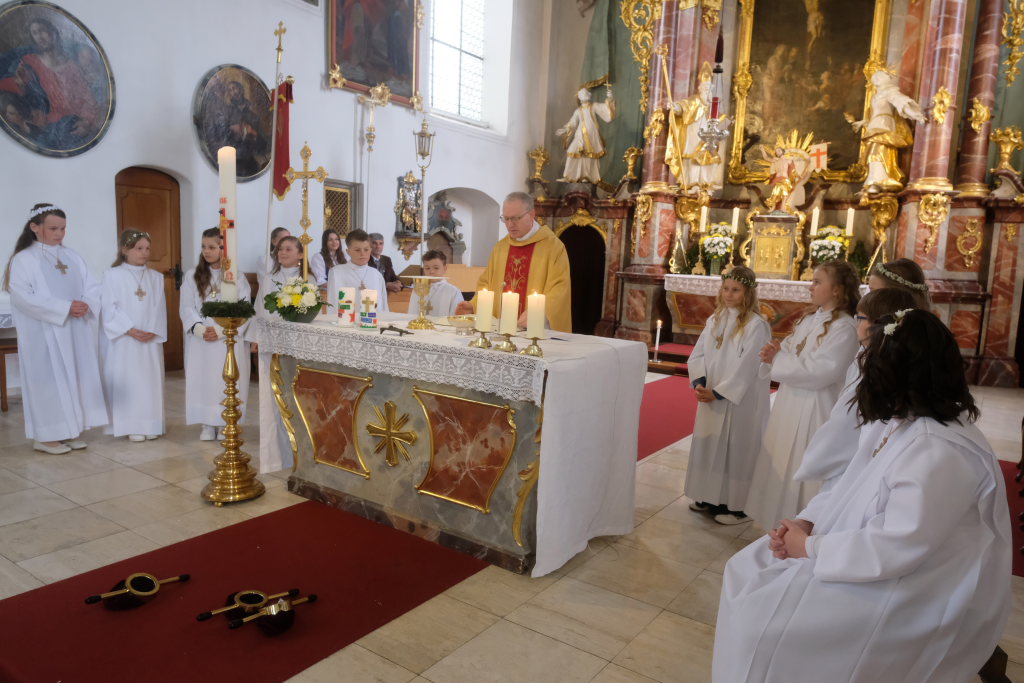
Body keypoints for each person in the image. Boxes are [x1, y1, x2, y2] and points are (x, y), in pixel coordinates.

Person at [714, 309, 1011, 683]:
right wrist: (807, 521)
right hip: (860, 552)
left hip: (919, 585)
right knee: (745, 568)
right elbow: (848, 482)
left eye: (870, 361)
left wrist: (810, 547)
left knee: (763, 625)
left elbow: (899, 545)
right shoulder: (898, 420)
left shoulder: (940, 451)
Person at [743, 260, 861, 528]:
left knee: (803, 465)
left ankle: (801, 527)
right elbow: (788, 349)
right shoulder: (809, 319)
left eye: (817, 282)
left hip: (815, 407)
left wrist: (778, 359)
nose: (811, 287)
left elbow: (822, 371)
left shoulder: (844, 327)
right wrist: (773, 354)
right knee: (782, 461)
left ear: (837, 289)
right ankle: (776, 523)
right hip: (790, 402)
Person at [3, 203, 107, 454]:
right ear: (34, 227)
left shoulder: (72, 256)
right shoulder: (24, 259)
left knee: (75, 380)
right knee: (48, 383)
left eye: (63, 228)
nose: (59, 234)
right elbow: (21, 297)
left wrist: (86, 303)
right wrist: (64, 308)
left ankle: (69, 431)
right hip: (45, 333)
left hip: (75, 331)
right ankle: (46, 436)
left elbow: (92, 286)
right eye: (53, 228)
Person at [792, 287, 918, 492]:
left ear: (877, 325)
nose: (856, 324)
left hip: (855, 461)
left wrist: (815, 460)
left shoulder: (872, 367)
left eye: (860, 318)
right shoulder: (882, 356)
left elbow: (846, 420)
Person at [684, 268, 771, 525]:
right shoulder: (715, 319)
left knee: (736, 449)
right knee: (710, 445)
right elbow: (699, 353)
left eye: (736, 290)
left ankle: (737, 507)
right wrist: (700, 381)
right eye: (726, 288)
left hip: (738, 401)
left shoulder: (756, 325)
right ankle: (708, 495)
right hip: (710, 393)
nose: (729, 294)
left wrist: (719, 392)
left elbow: (748, 365)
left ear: (748, 293)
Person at [455, 192, 572, 332]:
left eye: (516, 218)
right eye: (506, 219)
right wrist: (474, 305)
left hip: (533, 330)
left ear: (532, 214)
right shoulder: (501, 248)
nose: (510, 224)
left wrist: (540, 313)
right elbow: (486, 283)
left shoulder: (553, 247)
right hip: (500, 330)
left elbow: (559, 289)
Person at [180, 227, 252, 442]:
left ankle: (225, 422)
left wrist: (222, 330)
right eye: (204, 246)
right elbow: (186, 307)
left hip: (227, 338)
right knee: (203, 380)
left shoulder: (235, 276)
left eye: (212, 247)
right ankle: (207, 422)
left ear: (224, 249)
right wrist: (200, 329)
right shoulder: (192, 276)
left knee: (225, 381)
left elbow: (244, 308)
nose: (206, 251)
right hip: (201, 339)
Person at [100, 230, 166, 442]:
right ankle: (130, 425)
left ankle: (150, 423)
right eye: (139, 248)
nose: (144, 252)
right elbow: (109, 307)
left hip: (149, 339)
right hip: (124, 340)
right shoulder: (112, 275)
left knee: (149, 381)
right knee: (129, 380)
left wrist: (152, 329)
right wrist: (129, 329)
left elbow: (159, 307)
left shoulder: (156, 277)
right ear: (124, 250)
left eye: (147, 248)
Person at [255, 234, 308, 473]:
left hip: (296, 346)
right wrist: (256, 338)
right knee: (272, 399)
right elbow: (259, 309)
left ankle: (301, 454)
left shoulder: (306, 280)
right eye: (280, 249)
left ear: (300, 254)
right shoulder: (269, 278)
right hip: (271, 344)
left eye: (288, 249)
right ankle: (276, 457)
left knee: (295, 398)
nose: (282, 253)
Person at [848, 68, 926, 194]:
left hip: (885, 124)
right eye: (875, 78)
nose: (876, 79)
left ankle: (880, 179)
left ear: (887, 79)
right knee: (872, 153)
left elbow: (900, 102)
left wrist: (914, 114)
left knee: (879, 150)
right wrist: (862, 122)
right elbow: (872, 114)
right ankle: (873, 180)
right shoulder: (875, 96)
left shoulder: (890, 91)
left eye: (879, 76)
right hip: (874, 125)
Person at [555, 85, 615, 183]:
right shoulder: (578, 111)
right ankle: (569, 176)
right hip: (580, 135)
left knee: (589, 155)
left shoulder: (594, 106)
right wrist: (565, 129)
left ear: (589, 95)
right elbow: (573, 123)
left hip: (592, 134)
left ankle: (587, 177)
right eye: (582, 93)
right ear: (579, 97)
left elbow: (606, 110)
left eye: (585, 93)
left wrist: (610, 98)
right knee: (572, 151)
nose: (584, 94)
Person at [328, 229, 389, 313]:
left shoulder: (376, 274)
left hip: (373, 320)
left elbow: (384, 307)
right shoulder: (336, 273)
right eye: (357, 250)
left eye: (366, 249)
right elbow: (332, 305)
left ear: (370, 250)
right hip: (346, 320)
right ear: (348, 252)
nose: (362, 254)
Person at [408, 250, 464, 318]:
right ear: (423, 269)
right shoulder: (418, 289)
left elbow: (456, 318)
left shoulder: (453, 291)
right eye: (427, 268)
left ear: (445, 268)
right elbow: (412, 314)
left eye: (436, 268)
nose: (431, 271)